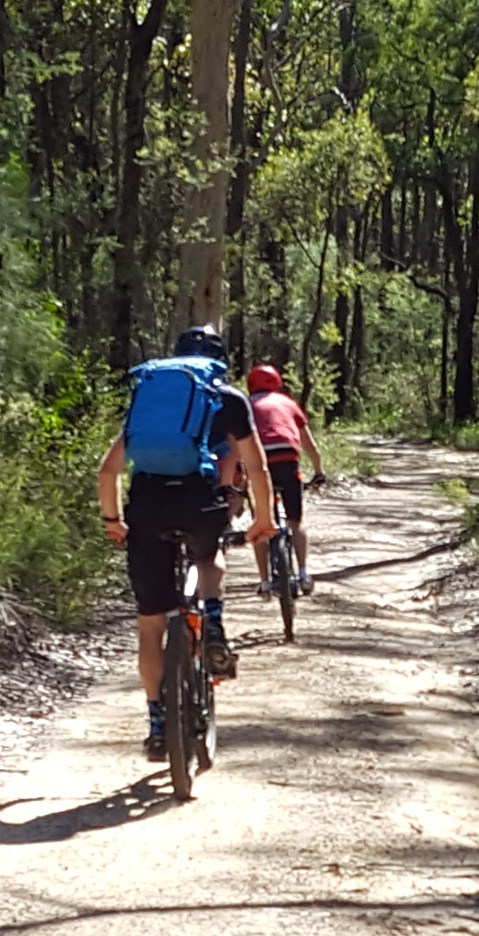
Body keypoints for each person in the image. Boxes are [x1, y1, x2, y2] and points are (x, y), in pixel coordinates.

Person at [97, 327, 279, 762]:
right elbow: (256, 467)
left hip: (146, 508)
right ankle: (211, 618)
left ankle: (158, 725)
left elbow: (107, 472)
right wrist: (263, 519)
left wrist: (113, 522)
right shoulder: (228, 398)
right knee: (209, 553)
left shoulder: (150, 398)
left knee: (150, 624)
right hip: (199, 503)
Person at [242, 363, 324, 595]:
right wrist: (318, 472)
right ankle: (303, 573)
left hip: (260, 461)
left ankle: (265, 582)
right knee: (295, 522)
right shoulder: (288, 403)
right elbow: (309, 445)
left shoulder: (245, 406)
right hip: (288, 459)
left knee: (260, 524)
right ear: (277, 382)